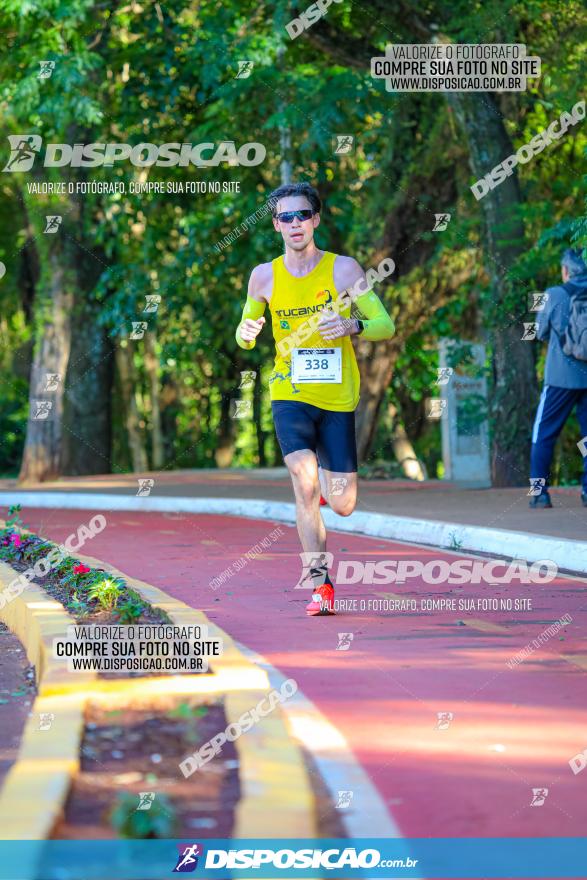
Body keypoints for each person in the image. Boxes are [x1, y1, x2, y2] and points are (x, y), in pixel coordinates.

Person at [235, 181, 395, 615]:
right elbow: (246, 330)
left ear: (316, 220)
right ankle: (321, 586)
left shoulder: (343, 270)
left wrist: (352, 326)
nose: (294, 224)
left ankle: (327, 486)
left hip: (338, 398)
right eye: (285, 217)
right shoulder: (263, 276)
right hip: (289, 392)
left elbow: (385, 324)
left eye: (302, 215)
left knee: (342, 503)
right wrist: (246, 332)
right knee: (303, 486)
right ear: (275, 225)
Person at [530, 247, 587, 508]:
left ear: (565, 271)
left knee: (543, 435)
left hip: (559, 378)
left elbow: (540, 332)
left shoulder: (554, 294)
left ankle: (540, 493)